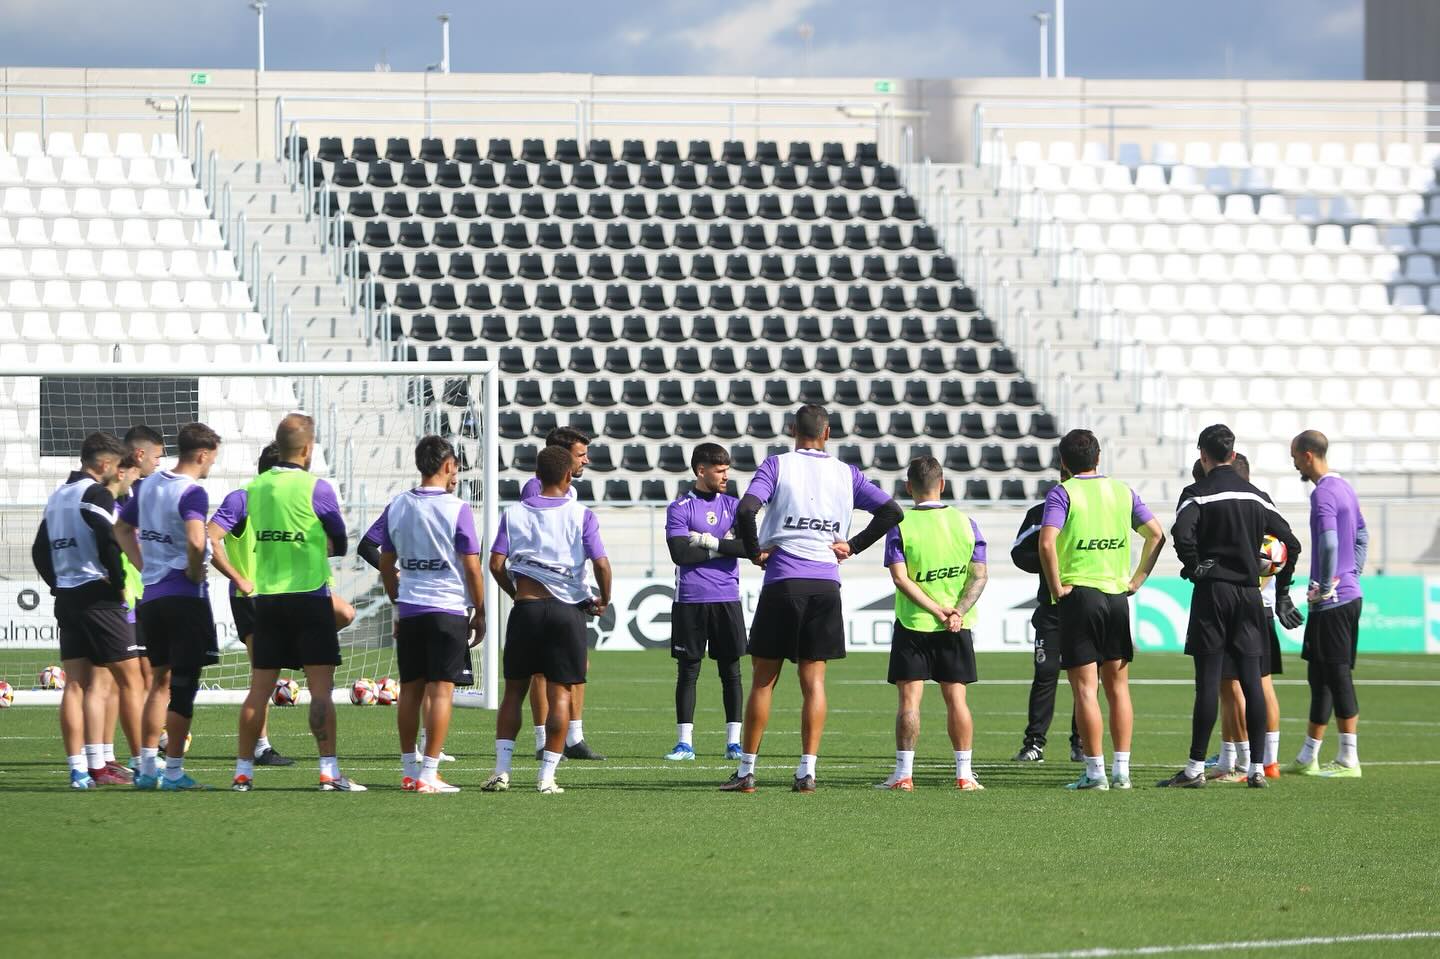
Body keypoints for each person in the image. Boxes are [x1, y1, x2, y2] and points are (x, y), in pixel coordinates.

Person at [720, 404, 903, 794]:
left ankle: (747, 770)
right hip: (824, 584)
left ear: (792, 430)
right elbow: (891, 511)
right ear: (828, 433)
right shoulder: (846, 473)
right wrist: (852, 546)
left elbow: (747, 508)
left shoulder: (776, 465)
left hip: (783, 581)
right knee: (814, 683)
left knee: (763, 682)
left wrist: (754, 551)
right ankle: (807, 771)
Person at [1160, 426, 1301, 790]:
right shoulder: (1258, 497)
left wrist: (1194, 566)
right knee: (1252, 682)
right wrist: (1282, 592)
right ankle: (1256, 768)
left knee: (1209, 683)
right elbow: (1292, 543)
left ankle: (1194, 769)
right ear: (1234, 455)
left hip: (1214, 593)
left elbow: (1181, 534)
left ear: (1203, 456)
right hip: (1249, 595)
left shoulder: (1197, 493)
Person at [230, 414, 362, 792]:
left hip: (268, 600)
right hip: (309, 597)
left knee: (259, 688)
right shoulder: (316, 488)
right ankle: (328, 772)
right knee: (320, 690)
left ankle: (242, 773)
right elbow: (339, 538)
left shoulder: (255, 488)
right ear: (307, 449)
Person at [1038, 429, 1166, 791]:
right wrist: (1137, 579)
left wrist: (1056, 586)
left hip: (1079, 596)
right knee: (1118, 688)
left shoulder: (1063, 492)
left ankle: (1095, 773)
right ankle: (1122, 771)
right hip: (1115, 597)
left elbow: (1047, 542)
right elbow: (1156, 534)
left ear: (1063, 462)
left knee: (1084, 690)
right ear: (1098, 458)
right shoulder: (1122, 491)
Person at [483, 445, 611, 794]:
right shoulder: (581, 513)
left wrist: (515, 593)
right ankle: (546, 777)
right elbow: (600, 563)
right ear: (569, 475)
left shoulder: (513, 513)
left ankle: (501, 771)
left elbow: (495, 563)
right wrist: (605, 599)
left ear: (537, 477)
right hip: (566, 611)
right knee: (561, 694)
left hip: (526, 608)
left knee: (514, 691)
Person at [31, 432, 147, 789]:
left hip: (67, 598)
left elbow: (39, 549)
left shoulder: (57, 497)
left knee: (79, 685)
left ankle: (84, 769)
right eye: (116, 464)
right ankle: (146, 764)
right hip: (98, 595)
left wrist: (56, 583)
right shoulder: (94, 493)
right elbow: (108, 537)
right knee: (131, 681)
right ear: (104, 464)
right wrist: (116, 582)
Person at [115, 423, 224, 791]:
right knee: (184, 686)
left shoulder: (149, 486)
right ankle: (174, 771)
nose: (212, 465)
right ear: (203, 454)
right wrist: (194, 572)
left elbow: (121, 529)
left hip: (153, 597)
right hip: (184, 597)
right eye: (213, 458)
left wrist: (145, 566)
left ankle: (147, 768)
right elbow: (197, 541)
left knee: (158, 682)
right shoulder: (192, 492)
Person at [375, 436, 486, 793]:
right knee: (441, 691)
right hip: (447, 608)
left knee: (409, 690)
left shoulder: (398, 505)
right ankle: (429, 772)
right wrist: (480, 610)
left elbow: (386, 561)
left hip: (410, 609)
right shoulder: (457, 509)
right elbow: (472, 568)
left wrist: (397, 600)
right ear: (448, 466)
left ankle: (409, 768)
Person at [875, 456, 989, 792]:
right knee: (957, 700)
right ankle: (964, 775)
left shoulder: (901, 525)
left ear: (909, 487)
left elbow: (901, 579)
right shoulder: (967, 523)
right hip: (956, 626)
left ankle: (904, 775)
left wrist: (936, 610)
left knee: (909, 702)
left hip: (914, 624)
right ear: (943, 484)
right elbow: (980, 576)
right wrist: (956, 611)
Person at [1208, 453, 1303, 781]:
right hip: (1255, 610)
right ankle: (1249, 759)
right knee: (1249, 687)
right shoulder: (1259, 508)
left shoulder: (1245, 510)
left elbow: (1273, 557)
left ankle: (1252, 760)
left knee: (1239, 688)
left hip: (1247, 608)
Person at [206, 443, 296, 768]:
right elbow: (210, 537)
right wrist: (239, 578)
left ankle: (259, 746)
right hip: (252, 600)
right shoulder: (241, 500)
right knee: (263, 676)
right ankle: (259, 747)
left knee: (269, 674)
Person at [519, 426, 604, 761]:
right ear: (563, 456)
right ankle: (543, 740)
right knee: (541, 669)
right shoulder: (534, 489)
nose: (587, 460)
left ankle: (574, 737)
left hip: (571, 590)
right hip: (543, 592)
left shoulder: (570, 493)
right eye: (581, 454)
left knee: (577, 663)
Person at [1287, 430, 1368, 779]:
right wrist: (1353, 574)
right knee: (1318, 675)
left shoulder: (1323, 494)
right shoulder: (1345, 488)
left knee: (1336, 675)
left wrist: (1325, 585)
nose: (1293, 463)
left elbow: (1331, 544)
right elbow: (1362, 535)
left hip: (1332, 600)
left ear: (1307, 455)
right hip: (1345, 595)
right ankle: (1309, 756)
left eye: (1294, 456)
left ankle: (1349, 758)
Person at [663, 443, 748, 761]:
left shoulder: (735, 506)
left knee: (732, 672)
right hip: (691, 599)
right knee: (688, 672)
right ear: (701, 471)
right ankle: (684, 743)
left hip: (727, 597)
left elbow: (748, 548)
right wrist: (723, 545)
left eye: (727, 470)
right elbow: (681, 554)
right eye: (720, 470)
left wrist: (710, 542)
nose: (726, 476)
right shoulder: (680, 507)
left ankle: (733, 743)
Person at [1010, 465, 1081, 765]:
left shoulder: (1096, 511)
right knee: (1046, 674)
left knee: (1085, 679)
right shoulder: (1042, 512)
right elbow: (1018, 552)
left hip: (1086, 607)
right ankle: (1034, 743)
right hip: (1052, 610)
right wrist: (1048, 562)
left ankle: (1082, 743)